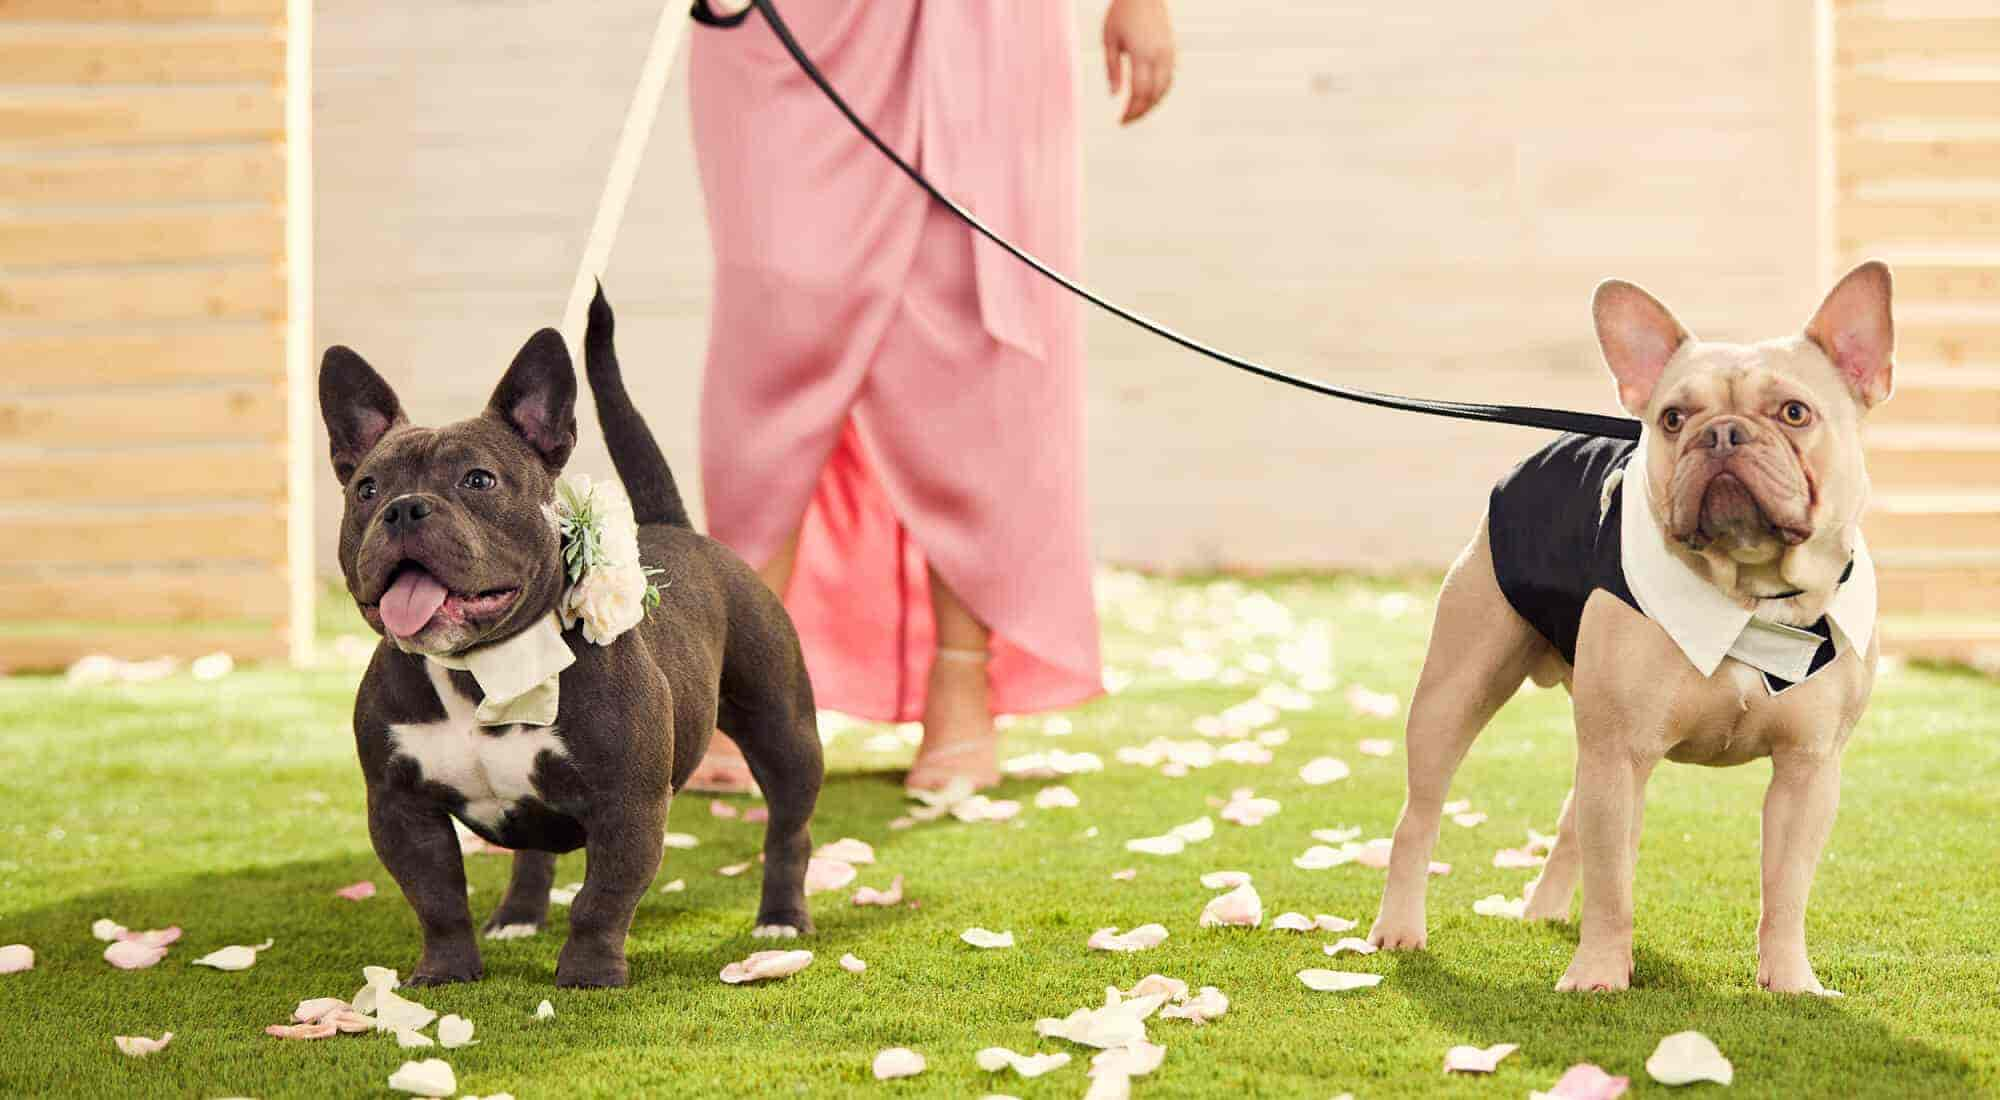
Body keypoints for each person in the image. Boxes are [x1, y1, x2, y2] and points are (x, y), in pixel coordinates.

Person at [686, 0, 1177, 792]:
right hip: (789, 26)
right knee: (777, 319)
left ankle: (962, 686)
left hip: (989, 26)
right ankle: (732, 684)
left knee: (975, 337)